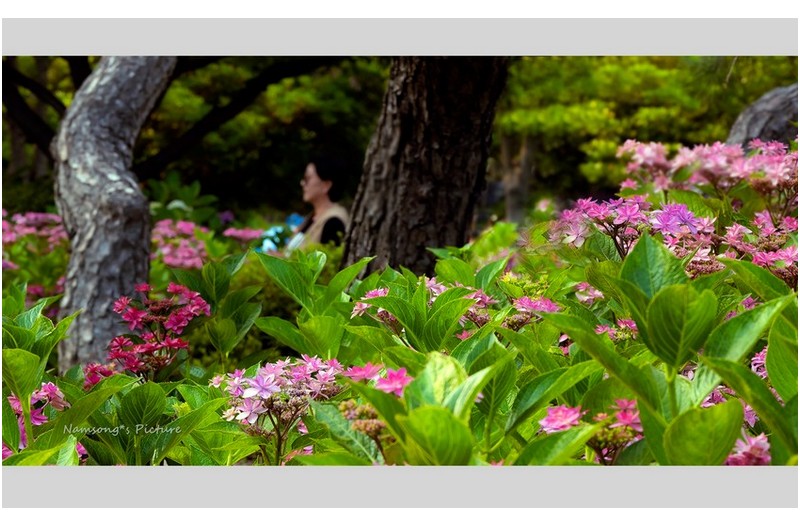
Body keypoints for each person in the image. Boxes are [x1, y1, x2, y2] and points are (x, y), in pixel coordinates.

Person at [285, 155, 351, 253]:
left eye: (307, 178)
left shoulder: (334, 222)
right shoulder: (313, 216)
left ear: (326, 185)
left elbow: (327, 265)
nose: (302, 183)